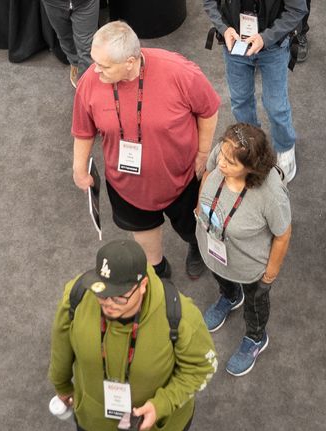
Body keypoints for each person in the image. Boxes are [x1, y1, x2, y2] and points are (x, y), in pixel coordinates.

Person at [72, 22, 222, 284]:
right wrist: (79, 168)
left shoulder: (179, 72)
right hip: (126, 185)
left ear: (130, 62)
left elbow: (208, 109)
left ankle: (196, 246)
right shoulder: (91, 81)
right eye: (95, 62)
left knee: (193, 227)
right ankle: (157, 269)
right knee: (144, 235)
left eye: (104, 66)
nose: (95, 70)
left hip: (183, 177)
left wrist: (203, 153)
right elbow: (83, 129)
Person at [48, 235, 217, 431]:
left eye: (119, 297)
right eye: (102, 293)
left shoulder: (181, 316)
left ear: (143, 284)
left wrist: (162, 404)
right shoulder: (78, 295)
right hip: (94, 427)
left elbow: (201, 368)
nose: (108, 304)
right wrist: (61, 384)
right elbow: (61, 343)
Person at [202, 0, 311, 159]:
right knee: (240, 101)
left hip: (273, 47)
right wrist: (224, 28)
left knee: (276, 105)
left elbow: (297, 10)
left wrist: (266, 37)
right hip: (235, 44)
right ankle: (253, 146)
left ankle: (285, 147)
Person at [195, 123, 292, 378]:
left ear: (251, 168)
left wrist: (269, 275)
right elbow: (208, 172)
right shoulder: (223, 151)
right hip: (215, 247)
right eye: (222, 155)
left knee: (255, 302)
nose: (222, 163)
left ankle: (256, 338)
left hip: (250, 267)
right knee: (221, 275)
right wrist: (200, 207)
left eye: (231, 162)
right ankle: (229, 296)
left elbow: (283, 234)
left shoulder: (271, 195)